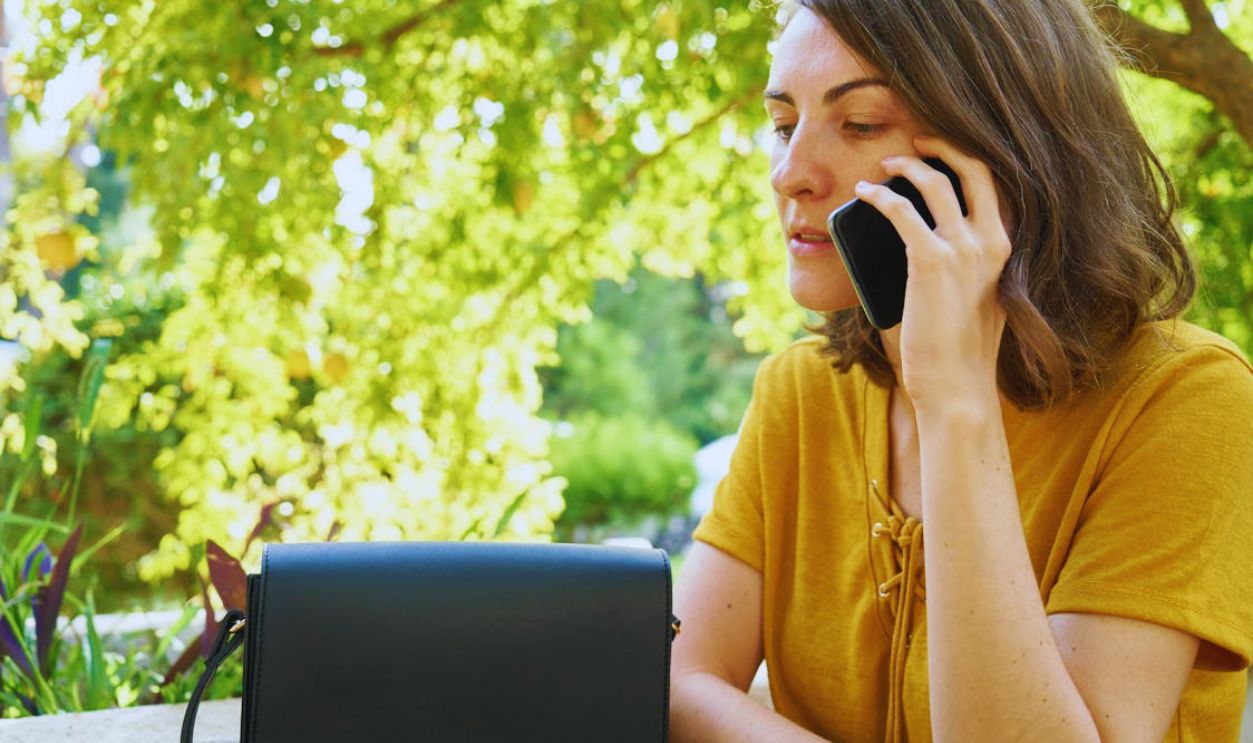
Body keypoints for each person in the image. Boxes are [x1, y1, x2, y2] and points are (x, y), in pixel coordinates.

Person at [668, 1, 1253, 741]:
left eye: (859, 124)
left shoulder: (1188, 397)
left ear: (1001, 149)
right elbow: (678, 680)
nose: (790, 174)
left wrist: (954, 402)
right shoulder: (800, 390)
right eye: (784, 125)